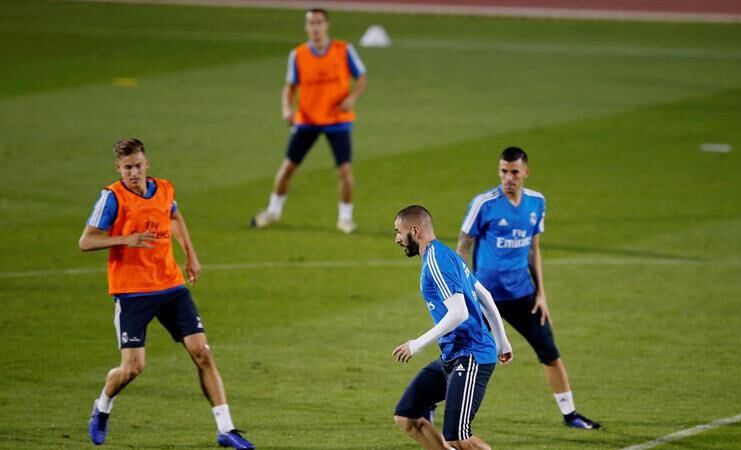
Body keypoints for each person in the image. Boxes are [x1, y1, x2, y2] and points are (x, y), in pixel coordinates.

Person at [79, 138, 255, 449]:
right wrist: (126, 239)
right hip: (132, 292)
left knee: (202, 352)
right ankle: (102, 405)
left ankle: (226, 429)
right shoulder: (112, 198)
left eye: (138, 166)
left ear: (147, 164)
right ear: (118, 168)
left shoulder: (164, 188)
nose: (134, 172)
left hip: (171, 286)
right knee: (133, 368)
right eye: (127, 168)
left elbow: (173, 217)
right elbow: (86, 241)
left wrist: (190, 255)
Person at [456, 146, 601, 430]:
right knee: (461, 354)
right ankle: (430, 405)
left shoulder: (537, 202)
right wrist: (464, 292)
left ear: (525, 172)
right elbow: (463, 246)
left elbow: (534, 248)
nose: (508, 178)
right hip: (484, 297)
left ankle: (570, 414)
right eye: (503, 172)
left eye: (514, 172)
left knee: (549, 352)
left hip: (523, 295)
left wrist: (542, 294)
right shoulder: (484, 204)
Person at [392, 205, 513, 450]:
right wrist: (503, 342)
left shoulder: (436, 261)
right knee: (407, 416)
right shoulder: (446, 255)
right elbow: (485, 296)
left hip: (471, 355)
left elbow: (459, 313)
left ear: (415, 231)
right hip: (452, 355)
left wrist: (416, 345)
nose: (397, 239)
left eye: (398, 232)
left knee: (458, 437)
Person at [251, 7, 367, 234]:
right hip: (307, 120)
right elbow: (289, 87)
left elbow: (362, 79)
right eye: (311, 23)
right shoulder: (298, 55)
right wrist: (286, 109)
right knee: (288, 168)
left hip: (337, 120)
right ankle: (273, 212)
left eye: (319, 22)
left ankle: (345, 218)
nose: (316, 27)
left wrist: (352, 98)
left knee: (344, 171)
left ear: (327, 25)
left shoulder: (343, 50)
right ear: (306, 27)